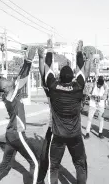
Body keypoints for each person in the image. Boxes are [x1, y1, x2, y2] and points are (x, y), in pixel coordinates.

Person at [41, 39, 91, 184]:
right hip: (75, 135)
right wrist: (79, 51)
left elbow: (48, 67)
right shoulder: (78, 87)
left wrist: (49, 49)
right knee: (80, 166)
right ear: (72, 77)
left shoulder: (53, 86)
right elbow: (81, 69)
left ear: (59, 77)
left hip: (58, 137)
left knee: (54, 168)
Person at [0, 47, 38, 184]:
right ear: (4, 88)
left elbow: (19, 77)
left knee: (4, 165)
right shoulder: (10, 95)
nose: (8, 78)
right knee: (35, 163)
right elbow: (21, 77)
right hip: (17, 134)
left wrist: (27, 62)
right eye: (4, 80)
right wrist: (28, 61)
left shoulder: (11, 93)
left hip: (10, 135)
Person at [36, 46, 53, 184]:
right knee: (78, 160)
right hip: (71, 131)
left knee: (45, 156)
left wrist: (42, 57)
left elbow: (44, 74)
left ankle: (42, 179)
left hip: (55, 130)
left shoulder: (53, 90)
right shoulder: (74, 89)